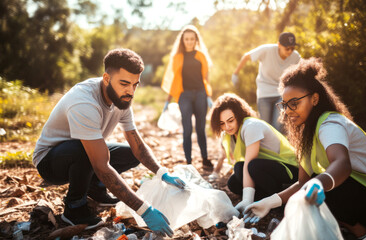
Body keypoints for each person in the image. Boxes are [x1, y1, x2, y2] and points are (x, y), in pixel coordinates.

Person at [32, 49, 185, 237]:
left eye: (135, 84)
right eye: (124, 83)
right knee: (90, 154)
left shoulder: (122, 99)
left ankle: (95, 188)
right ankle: (74, 208)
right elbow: (101, 165)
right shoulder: (84, 102)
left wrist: (162, 173)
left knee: (130, 153)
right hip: (50, 161)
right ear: (106, 78)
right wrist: (145, 211)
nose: (130, 91)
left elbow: (137, 145)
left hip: (83, 152)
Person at [243, 58, 366, 240]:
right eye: (285, 105)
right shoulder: (308, 133)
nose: (288, 111)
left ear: (315, 99)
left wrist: (318, 183)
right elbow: (303, 182)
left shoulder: (330, 124)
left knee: (323, 185)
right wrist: (270, 202)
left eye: (294, 103)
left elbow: (342, 163)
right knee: (311, 189)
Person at [208, 93, 298, 212]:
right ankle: (262, 201)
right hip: (267, 168)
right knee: (234, 181)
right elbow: (238, 163)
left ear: (239, 115)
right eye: (222, 123)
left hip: (290, 168)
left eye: (230, 121)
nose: (227, 126)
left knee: (251, 166)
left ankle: (280, 199)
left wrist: (247, 199)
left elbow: (249, 163)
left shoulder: (251, 126)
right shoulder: (229, 134)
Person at [161, 25, 213, 169]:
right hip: (185, 96)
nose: (189, 41)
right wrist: (167, 101)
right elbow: (173, 81)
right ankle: (189, 162)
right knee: (187, 129)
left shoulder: (201, 56)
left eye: (192, 39)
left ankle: (205, 159)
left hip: (201, 94)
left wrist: (209, 96)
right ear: (182, 41)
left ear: (196, 40)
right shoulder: (177, 58)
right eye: (186, 39)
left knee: (201, 129)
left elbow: (206, 78)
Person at [232, 32, 301, 133]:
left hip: (281, 94)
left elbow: (302, 71)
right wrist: (235, 74)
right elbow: (246, 56)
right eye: (287, 48)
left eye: (292, 48)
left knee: (278, 125)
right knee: (265, 126)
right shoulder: (266, 50)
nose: (290, 51)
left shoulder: (296, 57)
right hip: (264, 93)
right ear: (279, 45)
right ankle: (264, 148)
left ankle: (278, 148)